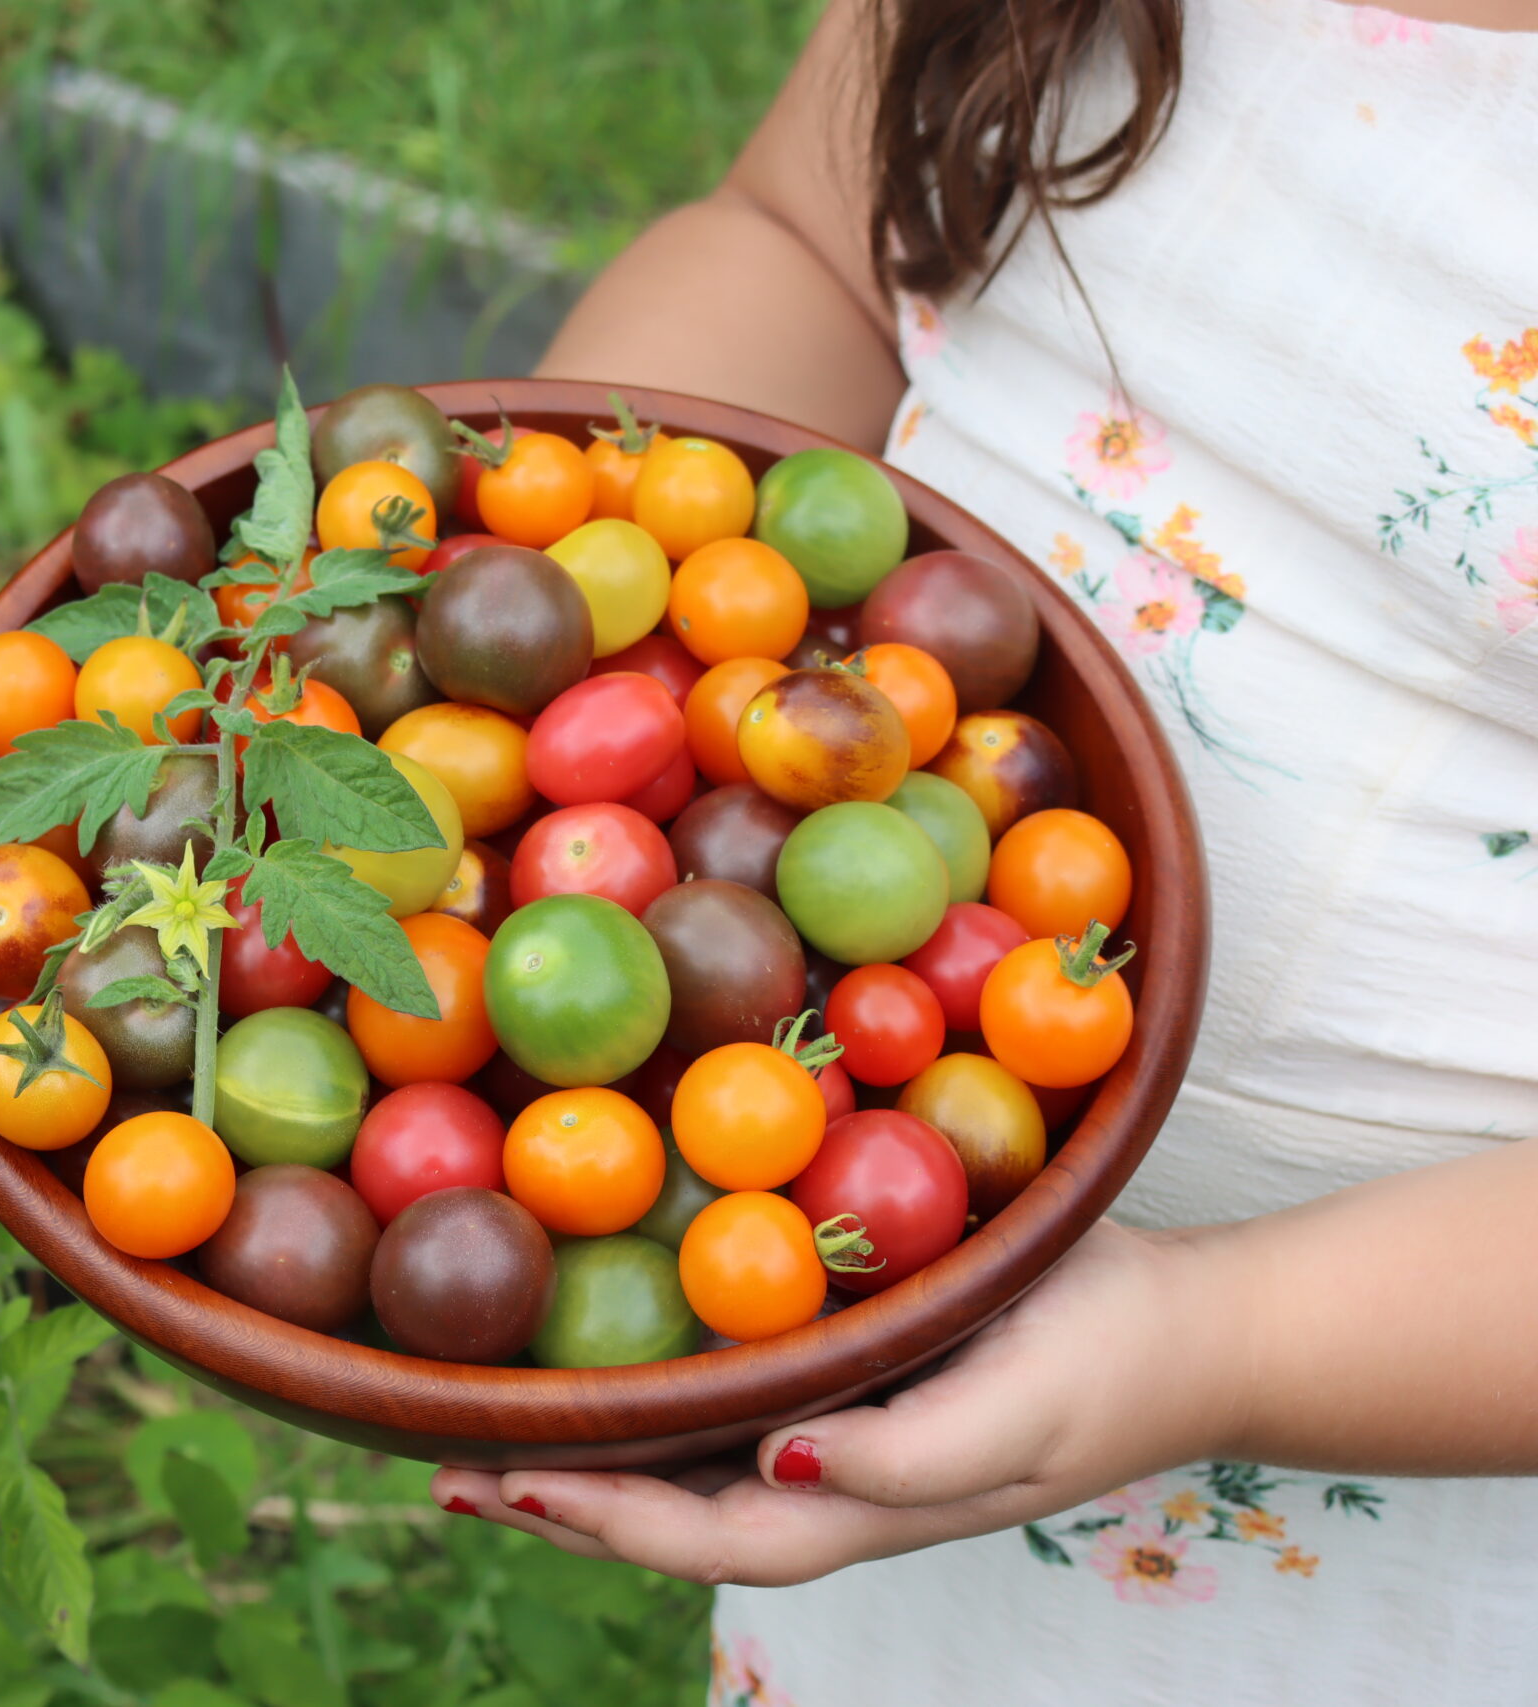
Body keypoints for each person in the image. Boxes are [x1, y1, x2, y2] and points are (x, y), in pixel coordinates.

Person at [430, 0, 1538, 1699]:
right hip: (877, 1269)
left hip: (1409, 1462)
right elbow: (809, 237)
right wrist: (554, 643)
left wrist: (1228, 1344)